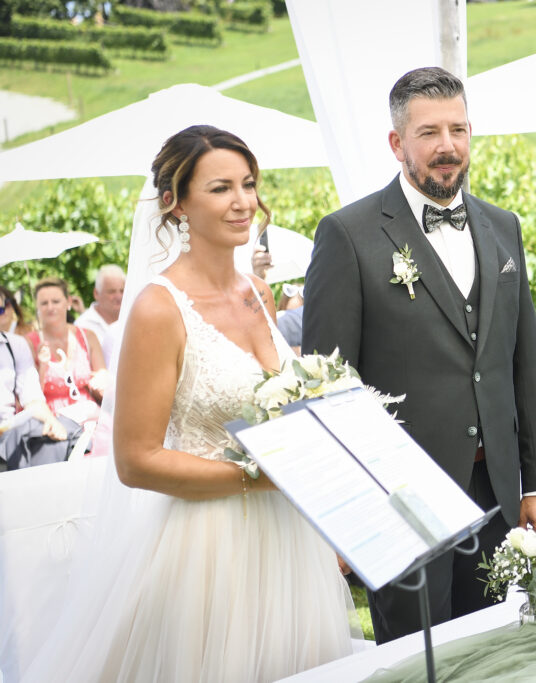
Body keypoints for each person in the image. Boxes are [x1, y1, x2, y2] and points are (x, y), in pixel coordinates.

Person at [21, 125, 361, 682]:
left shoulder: (259, 293)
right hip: (209, 546)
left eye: (248, 184)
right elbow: (135, 461)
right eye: (220, 188)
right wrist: (260, 476)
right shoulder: (159, 309)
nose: (242, 202)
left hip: (289, 537)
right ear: (175, 203)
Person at [304, 66, 536, 644]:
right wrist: (342, 515)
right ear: (397, 143)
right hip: (400, 500)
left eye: (458, 129)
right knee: (416, 658)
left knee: (490, 650)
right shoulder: (348, 235)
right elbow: (327, 388)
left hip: (495, 490)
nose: (448, 146)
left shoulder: (503, 227)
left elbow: (524, 362)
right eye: (429, 133)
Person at [25, 277, 108, 427]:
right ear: (37, 306)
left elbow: (103, 382)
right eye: (44, 303)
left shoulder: (87, 336)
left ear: (68, 302)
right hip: (51, 422)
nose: (50, 307)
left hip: (89, 418)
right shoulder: (29, 342)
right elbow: (29, 397)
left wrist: (101, 383)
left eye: (56, 301)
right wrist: (42, 366)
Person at [0, 324, 82, 471]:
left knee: (52, 439)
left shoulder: (14, 344)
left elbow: (32, 397)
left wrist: (50, 420)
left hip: (6, 436)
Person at [74, 264, 125, 366]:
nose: (118, 296)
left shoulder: (132, 320)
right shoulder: (82, 326)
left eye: (122, 291)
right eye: (112, 292)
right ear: (96, 293)